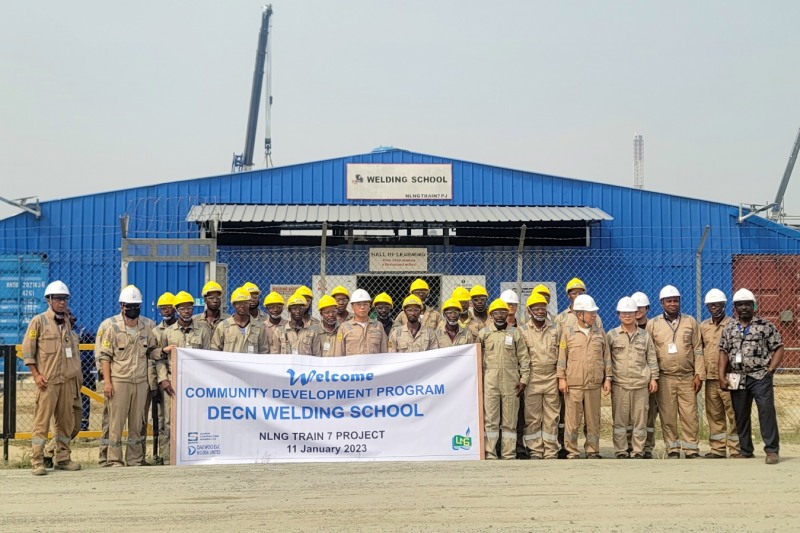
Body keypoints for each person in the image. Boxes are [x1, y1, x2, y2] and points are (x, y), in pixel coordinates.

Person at [22, 280, 82, 475]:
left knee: (65, 423)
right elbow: (28, 351)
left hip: (66, 382)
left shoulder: (67, 324)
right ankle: (37, 461)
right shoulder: (39, 321)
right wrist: (36, 375)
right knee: (42, 422)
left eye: (64, 299)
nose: (62, 303)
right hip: (47, 383)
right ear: (49, 300)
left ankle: (63, 458)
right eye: (57, 299)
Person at [719, 289, 784, 464]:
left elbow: (778, 347)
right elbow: (723, 352)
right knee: (740, 414)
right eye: (740, 305)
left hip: (760, 376)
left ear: (754, 306)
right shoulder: (729, 328)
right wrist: (721, 376)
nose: (744, 307)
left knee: (766, 412)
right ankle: (746, 450)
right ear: (735, 307)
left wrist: (770, 370)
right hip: (736, 377)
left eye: (747, 304)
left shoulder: (766, 326)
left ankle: (771, 450)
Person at [96, 285, 158, 467]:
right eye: (129, 306)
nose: (133, 309)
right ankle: (115, 460)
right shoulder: (112, 329)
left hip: (140, 382)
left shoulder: (148, 327)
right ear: (122, 306)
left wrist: (165, 351)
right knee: (115, 423)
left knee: (137, 424)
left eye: (136, 305)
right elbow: (105, 356)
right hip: (119, 382)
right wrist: (107, 382)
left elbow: (152, 351)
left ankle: (135, 459)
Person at [646, 285, 705, 459]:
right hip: (665, 377)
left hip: (687, 377)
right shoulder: (653, 324)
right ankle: (672, 448)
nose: (673, 304)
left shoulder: (690, 322)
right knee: (668, 414)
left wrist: (698, 375)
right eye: (669, 301)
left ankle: (691, 449)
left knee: (690, 414)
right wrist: (653, 377)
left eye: (675, 300)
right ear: (662, 303)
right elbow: (648, 352)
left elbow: (698, 350)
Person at [158, 291, 211, 464]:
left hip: (195, 383)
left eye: (189, 307)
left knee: (194, 419)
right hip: (172, 382)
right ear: (176, 309)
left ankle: (192, 455)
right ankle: (167, 457)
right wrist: (163, 379)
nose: (186, 311)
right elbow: (159, 359)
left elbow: (207, 358)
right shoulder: (167, 333)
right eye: (182, 308)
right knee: (168, 421)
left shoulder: (202, 331)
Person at [557, 294, 611, 459]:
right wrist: (562, 379)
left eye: (594, 312)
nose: (594, 315)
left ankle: (592, 450)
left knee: (593, 420)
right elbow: (562, 358)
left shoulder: (600, 333)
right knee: (572, 421)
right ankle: (572, 451)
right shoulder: (568, 333)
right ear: (579, 314)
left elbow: (606, 357)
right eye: (590, 313)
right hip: (574, 384)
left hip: (593, 384)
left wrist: (608, 378)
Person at [477, 298, 529, 459]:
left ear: (507, 315)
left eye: (503, 312)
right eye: (496, 313)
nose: (500, 315)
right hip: (490, 383)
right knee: (491, 420)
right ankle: (490, 453)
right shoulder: (484, 334)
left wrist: (523, 380)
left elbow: (524, 358)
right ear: (491, 315)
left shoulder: (515, 333)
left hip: (511, 383)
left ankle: (508, 454)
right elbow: (476, 358)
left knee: (509, 421)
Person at [608, 297, 658, 459]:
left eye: (630, 313)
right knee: (620, 421)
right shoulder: (612, 335)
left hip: (640, 384)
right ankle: (621, 450)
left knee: (640, 421)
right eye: (624, 313)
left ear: (636, 314)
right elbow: (607, 360)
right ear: (618, 315)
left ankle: (638, 450)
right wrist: (608, 379)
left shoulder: (644, 335)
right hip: (620, 384)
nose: (627, 316)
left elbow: (651, 358)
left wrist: (653, 378)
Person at [700, 289, 740, 459]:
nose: (714, 307)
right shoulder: (703, 327)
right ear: (707, 306)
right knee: (714, 413)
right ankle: (717, 449)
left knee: (734, 413)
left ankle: (737, 449)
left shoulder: (733, 325)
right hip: (710, 378)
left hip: (731, 377)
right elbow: (699, 351)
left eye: (718, 304)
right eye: (711, 305)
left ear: (724, 305)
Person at [520, 292, 560, 460]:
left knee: (552, 416)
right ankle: (535, 450)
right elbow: (521, 358)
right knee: (533, 417)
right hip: (532, 378)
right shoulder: (522, 331)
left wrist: (561, 377)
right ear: (529, 311)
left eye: (543, 308)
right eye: (536, 309)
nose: (540, 311)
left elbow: (563, 355)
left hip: (552, 377)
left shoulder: (556, 329)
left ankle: (551, 450)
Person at [631, 290, 657, 458]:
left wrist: (654, 376)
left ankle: (647, 447)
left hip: (651, 378)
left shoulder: (653, 327)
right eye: (636, 307)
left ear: (647, 308)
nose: (639, 310)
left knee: (649, 415)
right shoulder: (625, 327)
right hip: (632, 379)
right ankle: (629, 446)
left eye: (642, 307)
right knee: (630, 415)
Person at [210, 287, 271, 353]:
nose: (242, 306)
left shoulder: (259, 327)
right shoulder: (223, 326)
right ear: (233, 304)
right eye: (238, 303)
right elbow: (215, 350)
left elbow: (264, 352)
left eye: (245, 302)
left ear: (249, 303)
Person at [333, 289, 388, 356]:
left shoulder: (378, 326)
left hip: (372, 366)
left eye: (365, 304)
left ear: (369, 306)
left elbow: (384, 353)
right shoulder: (344, 327)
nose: (362, 307)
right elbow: (339, 354)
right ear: (352, 307)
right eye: (358, 304)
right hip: (352, 366)